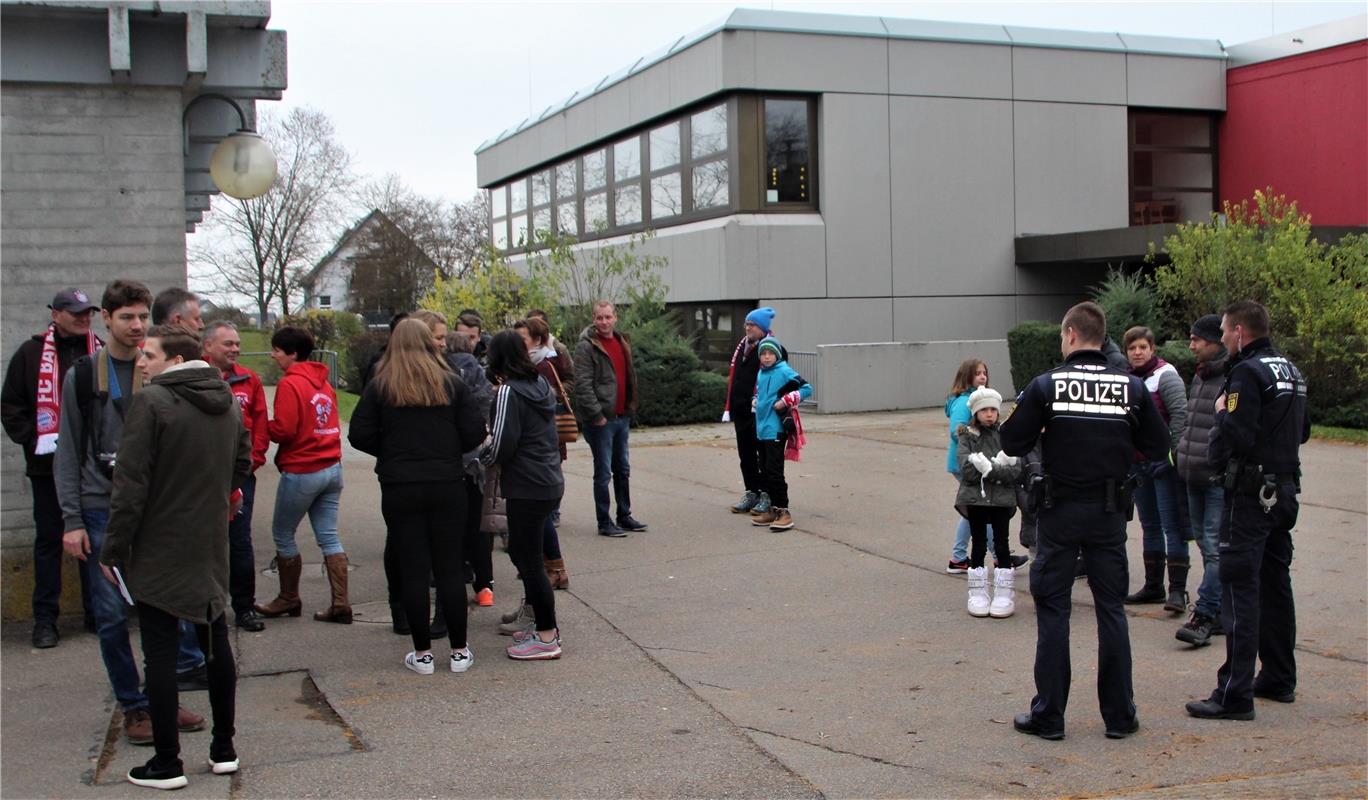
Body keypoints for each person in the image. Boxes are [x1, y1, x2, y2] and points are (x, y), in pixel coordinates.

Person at [1001, 301, 1169, 741]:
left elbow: (1012, 439)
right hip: (1110, 512)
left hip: (1059, 513)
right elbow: (1157, 445)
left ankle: (1049, 716)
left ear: (1071, 335)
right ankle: (1119, 716)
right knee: (1111, 609)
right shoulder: (1130, 387)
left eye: (1062, 335)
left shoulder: (1046, 385)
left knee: (1054, 610)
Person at [54, 280, 205, 744]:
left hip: (157, 509)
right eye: (126, 318)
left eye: (142, 316)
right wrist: (72, 521)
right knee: (112, 615)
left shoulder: (159, 370)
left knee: (165, 607)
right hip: (102, 508)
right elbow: (69, 450)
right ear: (106, 319)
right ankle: (134, 706)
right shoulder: (84, 376)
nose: (137, 326)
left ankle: (164, 697)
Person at [100, 325, 251, 789]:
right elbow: (241, 462)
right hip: (206, 540)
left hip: (159, 542)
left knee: (160, 651)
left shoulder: (151, 403)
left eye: (149, 354)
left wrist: (114, 548)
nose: (141, 362)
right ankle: (224, 747)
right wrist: (220, 496)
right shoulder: (226, 400)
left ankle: (168, 762)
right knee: (215, 636)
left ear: (175, 358)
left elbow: (130, 485)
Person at [1186, 300, 1309, 721]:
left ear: (1240, 331)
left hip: (1250, 494)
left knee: (1240, 590)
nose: (1221, 339)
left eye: (1223, 332)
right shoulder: (1291, 371)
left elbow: (1237, 432)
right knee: (1276, 585)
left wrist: (1221, 415)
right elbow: (1304, 430)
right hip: (1284, 489)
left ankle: (1234, 694)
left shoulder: (1247, 372)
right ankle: (1278, 676)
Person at [349, 319, 487, 675]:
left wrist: (392, 451)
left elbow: (359, 434)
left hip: (400, 485)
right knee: (449, 567)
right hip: (446, 482)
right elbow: (473, 433)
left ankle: (422, 653)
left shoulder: (382, 387)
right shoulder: (451, 384)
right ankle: (459, 651)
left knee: (413, 567)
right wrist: (446, 449)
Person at [2, 287, 102, 647]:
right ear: (55, 314)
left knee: (94, 541)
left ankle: (97, 612)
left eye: (88, 311)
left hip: (92, 469)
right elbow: (11, 405)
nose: (83, 317)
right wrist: (35, 440)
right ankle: (46, 620)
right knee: (48, 542)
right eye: (75, 312)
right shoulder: (30, 355)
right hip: (47, 469)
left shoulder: (101, 352)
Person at [480, 330, 566, 660]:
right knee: (526, 556)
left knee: (527, 560)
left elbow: (501, 443)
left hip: (526, 485)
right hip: (547, 481)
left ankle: (546, 637)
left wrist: (480, 459)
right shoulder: (540, 385)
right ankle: (540, 626)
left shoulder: (508, 392)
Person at [256, 326, 351, 623]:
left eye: (277, 350)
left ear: (292, 354)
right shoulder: (323, 383)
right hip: (331, 468)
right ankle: (340, 604)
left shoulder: (290, 384)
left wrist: (260, 425)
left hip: (303, 469)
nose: (273, 356)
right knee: (329, 535)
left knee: (283, 533)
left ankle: (288, 597)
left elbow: (284, 430)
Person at [202, 321, 270, 632]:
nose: (235, 349)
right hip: (203, 478)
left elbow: (259, 424)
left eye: (237, 344)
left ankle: (244, 607)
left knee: (240, 541)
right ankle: (207, 607)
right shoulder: (197, 378)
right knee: (205, 543)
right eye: (227, 344)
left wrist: (250, 463)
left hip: (241, 476)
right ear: (208, 347)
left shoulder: (248, 379)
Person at [1121, 326, 1192, 613]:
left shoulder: (1166, 376)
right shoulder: (1127, 379)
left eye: (1142, 347)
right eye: (1132, 348)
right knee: (1149, 526)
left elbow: (1180, 416)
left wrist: (1170, 455)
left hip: (1163, 465)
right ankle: (1154, 586)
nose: (1137, 353)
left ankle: (1177, 591)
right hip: (1138, 465)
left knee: (1171, 525)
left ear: (1152, 349)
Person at [1173, 314, 1229, 647]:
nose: (1191, 345)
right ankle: (1220, 608)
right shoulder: (1200, 376)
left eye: (1197, 340)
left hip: (1215, 477)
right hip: (1191, 473)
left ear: (1216, 341)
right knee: (1206, 545)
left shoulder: (1231, 377)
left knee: (1214, 545)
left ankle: (1207, 612)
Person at [942, 359, 1025, 573]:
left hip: (984, 473)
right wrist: (983, 460)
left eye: (984, 373)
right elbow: (957, 430)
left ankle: (960, 556)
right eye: (977, 373)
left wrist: (988, 467)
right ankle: (990, 556)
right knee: (978, 506)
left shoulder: (1001, 433)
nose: (982, 377)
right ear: (966, 376)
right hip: (963, 462)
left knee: (979, 509)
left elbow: (1015, 469)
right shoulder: (965, 403)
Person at [574, 300, 647, 537]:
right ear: (593, 319)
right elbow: (582, 384)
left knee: (622, 469)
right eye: (599, 318)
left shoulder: (621, 340)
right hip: (601, 421)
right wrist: (596, 415)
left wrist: (629, 407)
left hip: (621, 416)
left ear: (615, 317)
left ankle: (624, 515)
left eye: (608, 317)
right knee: (603, 472)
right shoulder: (586, 346)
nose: (604, 322)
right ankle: (604, 521)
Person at [955, 387, 1023, 618]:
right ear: (976, 412)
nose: (990, 414)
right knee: (979, 544)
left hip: (1002, 501)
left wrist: (989, 468)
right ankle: (977, 592)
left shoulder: (1005, 435)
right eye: (984, 410)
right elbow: (966, 470)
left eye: (993, 409)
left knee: (1002, 544)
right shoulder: (967, 436)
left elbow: (1015, 472)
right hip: (976, 500)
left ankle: (1004, 593)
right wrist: (991, 469)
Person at [515, 316, 571, 589]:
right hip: (543, 453)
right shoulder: (533, 365)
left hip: (541, 453)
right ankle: (553, 568)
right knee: (543, 514)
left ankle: (554, 568)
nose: (518, 345)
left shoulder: (542, 367)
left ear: (536, 340)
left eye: (522, 339)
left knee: (543, 515)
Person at [747, 336, 810, 532]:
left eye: (770, 353)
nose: (766, 357)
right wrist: (755, 399)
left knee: (774, 472)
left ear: (777, 355)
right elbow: (759, 392)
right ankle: (772, 510)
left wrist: (786, 400)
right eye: (763, 354)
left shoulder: (784, 371)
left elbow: (806, 388)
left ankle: (784, 511)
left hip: (775, 429)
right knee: (764, 471)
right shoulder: (761, 373)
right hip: (761, 429)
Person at [722, 307, 776, 515]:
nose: (747, 328)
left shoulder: (770, 349)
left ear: (762, 327)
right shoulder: (742, 346)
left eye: (752, 325)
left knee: (763, 455)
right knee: (746, 454)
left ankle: (766, 493)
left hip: (760, 412)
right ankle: (751, 491)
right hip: (741, 410)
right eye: (746, 324)